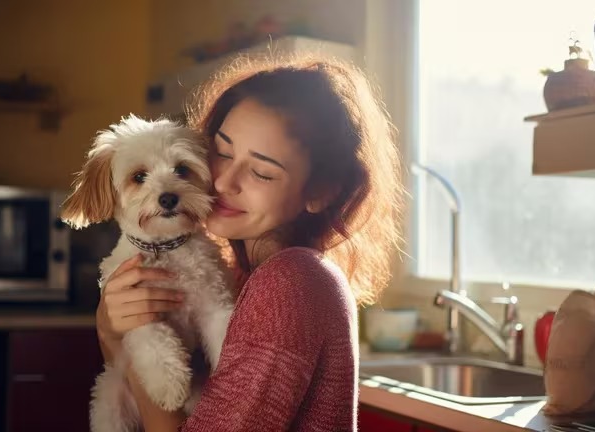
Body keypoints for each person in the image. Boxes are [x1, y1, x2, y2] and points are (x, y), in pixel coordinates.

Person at [96, 54, 404, 431]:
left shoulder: (287, 284)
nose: (224, 182)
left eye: (260, 172)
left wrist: (117, 343)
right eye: (222, 153)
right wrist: (115, 332)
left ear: (321, 192)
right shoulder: (241, 272)